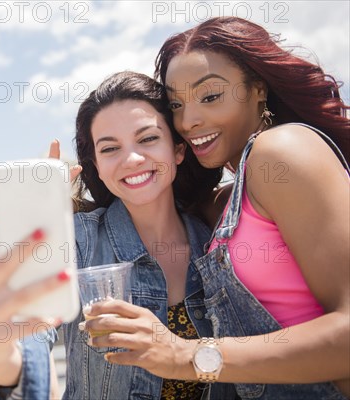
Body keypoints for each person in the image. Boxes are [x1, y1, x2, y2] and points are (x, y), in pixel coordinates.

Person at [83, 17, 349, 399]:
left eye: (210, 97)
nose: (189, 121)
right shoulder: (223, 204)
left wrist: (185, 354)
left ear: (258, 88)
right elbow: (153, 196)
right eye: (176, 104)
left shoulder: (281, 151)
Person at [0, 71, 237, 399]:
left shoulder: (218, 241)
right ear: (97, 165)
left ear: (178, 150)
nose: (132, 159)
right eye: (110, 149)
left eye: (148, 139)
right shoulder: (76, 241)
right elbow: (26, 347)